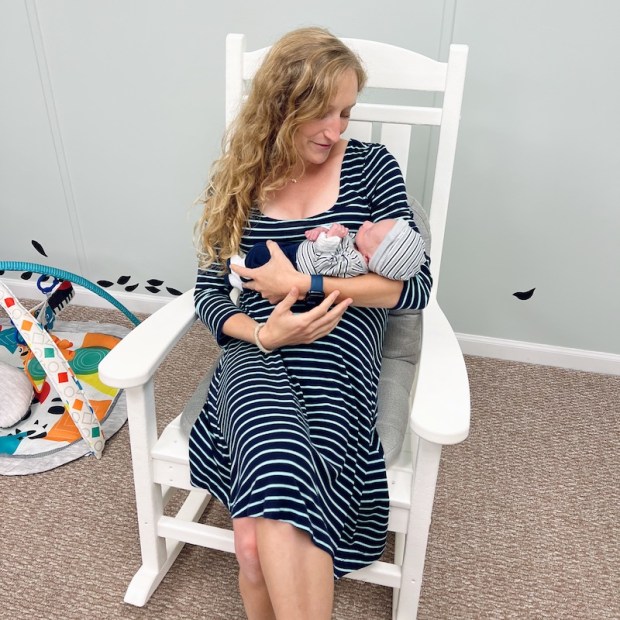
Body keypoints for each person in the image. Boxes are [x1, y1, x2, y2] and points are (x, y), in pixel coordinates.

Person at [190, 26, 432, 620]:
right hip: (257, 357)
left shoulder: (374, 170)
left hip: (339, 364)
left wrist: (302, 284)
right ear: (280, 109)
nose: (337, 129)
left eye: (347, 112)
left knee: (252, 540)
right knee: (252, 540)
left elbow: (414, 286)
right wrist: (262, 332)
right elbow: (206, 292)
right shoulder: (239, 181)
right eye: (321, 113)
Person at [228, 217, 427, 290]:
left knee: (259, 255)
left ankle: (243, 276)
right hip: (299, 252)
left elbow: (324, 265)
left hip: (295, 265)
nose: (365, 223)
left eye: (370, 230)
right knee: (262, 250)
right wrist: (322, 232)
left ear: (369, 258)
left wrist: (330, 239)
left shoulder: (355, 264)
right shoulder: (357, 246)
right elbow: (330, 242)